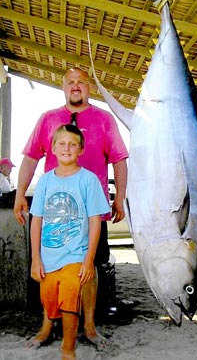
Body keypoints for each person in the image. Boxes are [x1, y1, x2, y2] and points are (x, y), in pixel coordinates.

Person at [14, 67, 128, 349]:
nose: (76, 86)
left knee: (90, 267)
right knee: (48, 269)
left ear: (89, 87)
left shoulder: (104, 119)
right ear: (64, 87)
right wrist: (20, 194)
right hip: (54, 212)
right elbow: (29, 158)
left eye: (81, 82)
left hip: (91, 212)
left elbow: (119, 160)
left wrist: (120, 196)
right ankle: (46, 325)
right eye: (70, 82)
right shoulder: (47, 119)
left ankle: (89, 326)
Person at [30, 124, 110, 360]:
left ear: (81, 149)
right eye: (62, 143)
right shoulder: (44, 182)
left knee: (70, 298)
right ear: (53, 148)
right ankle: (50, 330)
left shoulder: (88, 180)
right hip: (48, 257)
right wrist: (36, 258)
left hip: (76, 255)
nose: (67, 148)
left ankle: (68, 349)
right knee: (49, 299)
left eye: (73, 144)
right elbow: (36, 220)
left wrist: (88, 261)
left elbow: (95, 222)